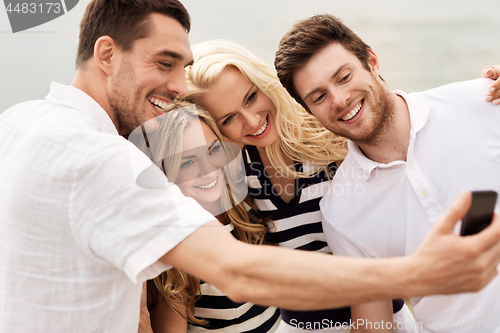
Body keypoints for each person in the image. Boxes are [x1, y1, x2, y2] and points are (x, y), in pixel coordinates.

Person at [2, 0, 500, 332]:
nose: (176, 84)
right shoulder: (146, 169)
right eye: (164, 62)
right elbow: (230, 271)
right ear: (106, 54)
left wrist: (482, 96)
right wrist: (415, 272)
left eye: (180, 66)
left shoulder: (20, 123)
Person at [274, 14, 500, 333]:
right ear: (310, 112)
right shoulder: (342, 212)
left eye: (343, 76)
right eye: (319, 97)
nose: (339, 100)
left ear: (372, 61)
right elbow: (374, 324)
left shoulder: (484, 101)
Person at [183, 40, 413, 333]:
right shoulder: (233, 171)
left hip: (379, 320)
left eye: (251, 97)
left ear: (264, 82)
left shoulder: (332, 132)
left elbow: (400, 121)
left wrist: (486, 92)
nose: (252, 121)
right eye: (229, 118)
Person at [139, 102, 281, 332]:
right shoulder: (177, 248)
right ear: (166, 171)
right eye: (188, 161)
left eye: (213, 150)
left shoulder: (244, 209)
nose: (209, 169)